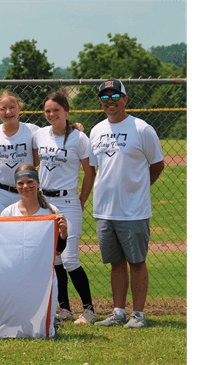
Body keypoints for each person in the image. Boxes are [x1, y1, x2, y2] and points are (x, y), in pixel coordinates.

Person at [89, 79, 165, 329]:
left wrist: (138, 189)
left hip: (133, 210)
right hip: (104, 209)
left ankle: (138, 314)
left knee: (137, 261)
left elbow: (157, 165)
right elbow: (96, 166)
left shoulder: (142, 129)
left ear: (125, 99)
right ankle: (119, 311)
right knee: (116, 263)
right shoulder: (96, 129)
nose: (110, 102)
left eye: (115, 97)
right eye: (105, 98)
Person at [34, 92, 97, 324]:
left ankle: (89, 310)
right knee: (55, 259)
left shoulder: (79, 138)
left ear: (66, 111)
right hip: (45, 202)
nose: (51, 115)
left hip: (68, 201)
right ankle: (65, 309)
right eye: (48, 111)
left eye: (56, 111)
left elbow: (90, 173)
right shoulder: (39, 134)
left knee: (70, 258)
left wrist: (81, 200)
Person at [0, 164, 69, 329]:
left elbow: (58, 251)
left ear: (38, 183)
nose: (25, 187)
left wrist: (64, 233)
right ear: (16, 186)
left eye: (30, 182)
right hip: (15, 272)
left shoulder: (51, 211)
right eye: (20, 183)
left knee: (41, 322)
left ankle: (52, 320)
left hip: (42, 273)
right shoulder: (8, 213)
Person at [0, 91, 40, 213]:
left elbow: (54, 134)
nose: (8, 112)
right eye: (3, 109)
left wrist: (72, 128)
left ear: (19, 108)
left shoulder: (32, 130)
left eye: (12, 107)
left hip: (25, 191)